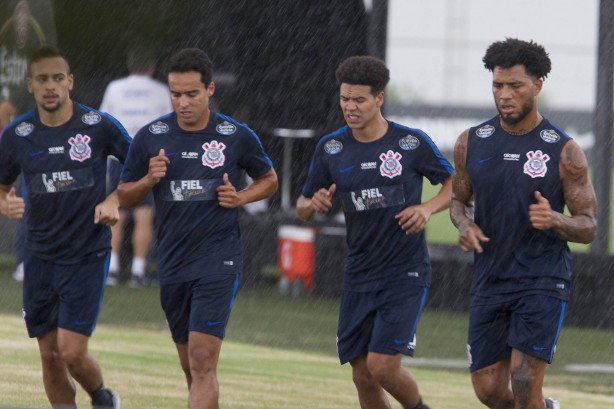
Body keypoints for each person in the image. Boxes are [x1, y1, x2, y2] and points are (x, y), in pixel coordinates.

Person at [116, 48, 278, 409]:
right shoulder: (151, 135)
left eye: (191, 93)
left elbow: (269, 179)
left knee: (203, 363)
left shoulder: (234, 135)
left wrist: (240, 197)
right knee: (193, 369)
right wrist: (147, 179)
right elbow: (124, 196)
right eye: (176, 94)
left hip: (217, 259)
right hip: (172, 261)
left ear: (210, 90)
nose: (183, 102)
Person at [297, 55, 453, 409]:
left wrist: (427, 208)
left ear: (379, 98)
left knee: (383, 366)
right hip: (360, 271)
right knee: (363, 375)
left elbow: (454, 184)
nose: (349, 108)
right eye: (344, 99)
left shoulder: (410, 144)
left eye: (359, 100)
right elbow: (302, 207)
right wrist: (314, 204)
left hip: (405, 271)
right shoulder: (331, 148)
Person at [450, 38, 597, 409]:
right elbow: (457, 201)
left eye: (515, 85)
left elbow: (589, 225)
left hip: (541, 278)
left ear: (537, 86)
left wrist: (555, 219)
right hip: (490, 277)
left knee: (524, 378)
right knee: (488, 390)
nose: (505, 94)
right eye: (498, 85)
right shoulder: (471, 142)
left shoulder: (564, 151)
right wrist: (464, 225)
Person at [0, 45, 128, 409]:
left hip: (87, 252)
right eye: (42, 79)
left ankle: (102, 397)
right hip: (39, 255)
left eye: (58, 78)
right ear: (31, 85)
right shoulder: (17, 134)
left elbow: (138, 169)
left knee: (71, 352)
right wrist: (6, 202)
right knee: (50, 356)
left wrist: (114, 200)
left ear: (70, 82)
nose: (50, 86)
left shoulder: (98, 126)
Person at [99, 48, 172, 287]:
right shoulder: (162, 91)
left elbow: (103, 123)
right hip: (147, 157)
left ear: (130, 65)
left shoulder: (114, 87)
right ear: (151, 66)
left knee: (117, 212)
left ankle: (112, 268)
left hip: (121, 156)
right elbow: (169, 128)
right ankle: (138, 272)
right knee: (144, 215)